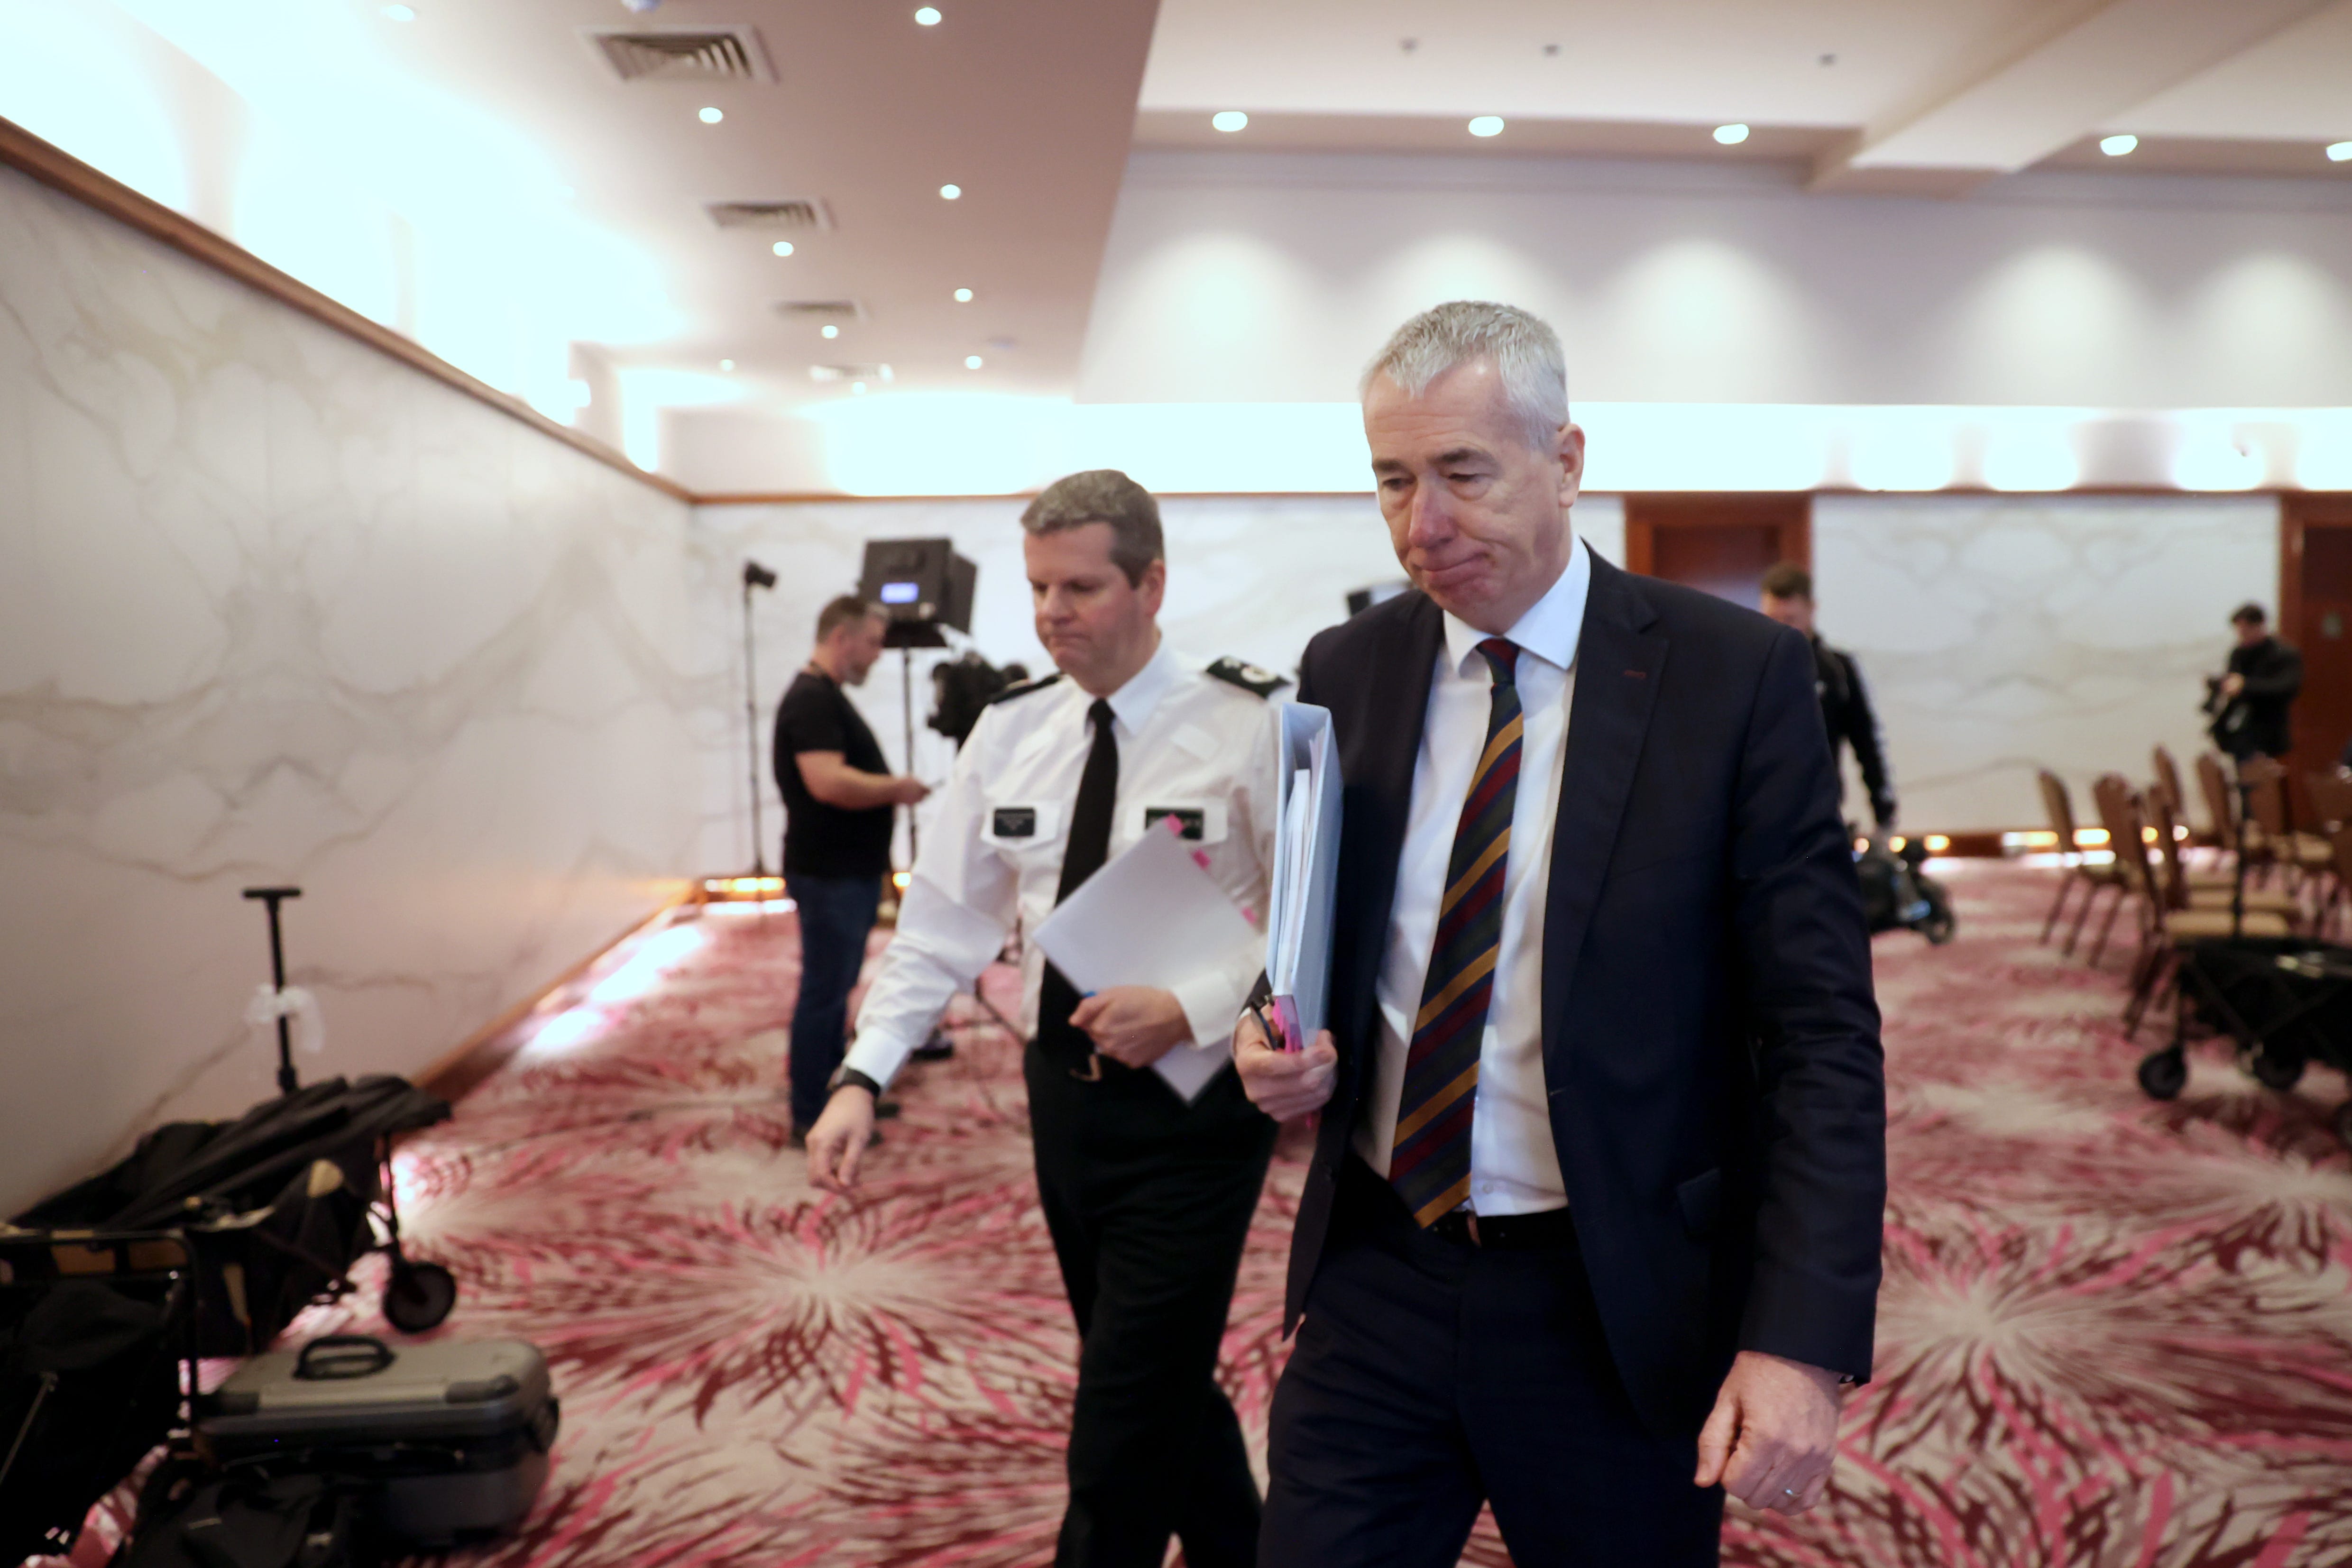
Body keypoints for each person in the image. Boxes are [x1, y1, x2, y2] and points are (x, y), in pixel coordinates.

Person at [1233, 302, 1885, 1567]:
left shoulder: (1732, 675)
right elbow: (1315, 940)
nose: (1423, 524)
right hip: (1381, 1266)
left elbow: (1819, 1033)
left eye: (1463, 473)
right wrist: (1283, 1046)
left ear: (1568, 460)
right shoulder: (1346, 666)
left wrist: (1799, 1337)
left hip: (1615, 1291)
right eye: (1393, 479)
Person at [803, 469, 1285, 1568]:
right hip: (1063, 1104)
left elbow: (1310, 923)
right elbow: (938, 927)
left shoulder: (1248, 721)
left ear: (1150, 582)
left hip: (1200, 1108)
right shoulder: (1008, 734)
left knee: (1120, 1411)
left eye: (1080, 586)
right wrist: (860, 1077)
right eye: (1037, 588)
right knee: (1149, 1369)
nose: (1051, 613)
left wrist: (1194, 1005)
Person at [773, 595, 930, 1141]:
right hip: (830, 873)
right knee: (825, 992)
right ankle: (811, 1111)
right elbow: (828, 782)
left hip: (844, 871)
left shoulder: (825, 695)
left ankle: (836, 1094)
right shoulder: (811, 700)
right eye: (872, 642)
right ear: (842, 638)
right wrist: (898, 788)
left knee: (835, 989)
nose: (878, 654)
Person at [1760, 562, 1897, 830]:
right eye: (1773, 619)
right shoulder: (1749, 668)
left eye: (1790, 621)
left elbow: (1865, 742)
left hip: (1819, 806)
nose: (1781, 631)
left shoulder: (1837, 670)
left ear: (1811, 610)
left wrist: (1883, 808)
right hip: (1759, 807)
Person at [2206, 602, 2302, 761]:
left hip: (2270, 731)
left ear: (2259, 626)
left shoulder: (2282, 653)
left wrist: (2245, 686)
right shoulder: (2239, 653)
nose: (2242, 635)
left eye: (2246, 630)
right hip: (2240, 731)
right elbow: (2231, 682)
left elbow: (2287, 687)